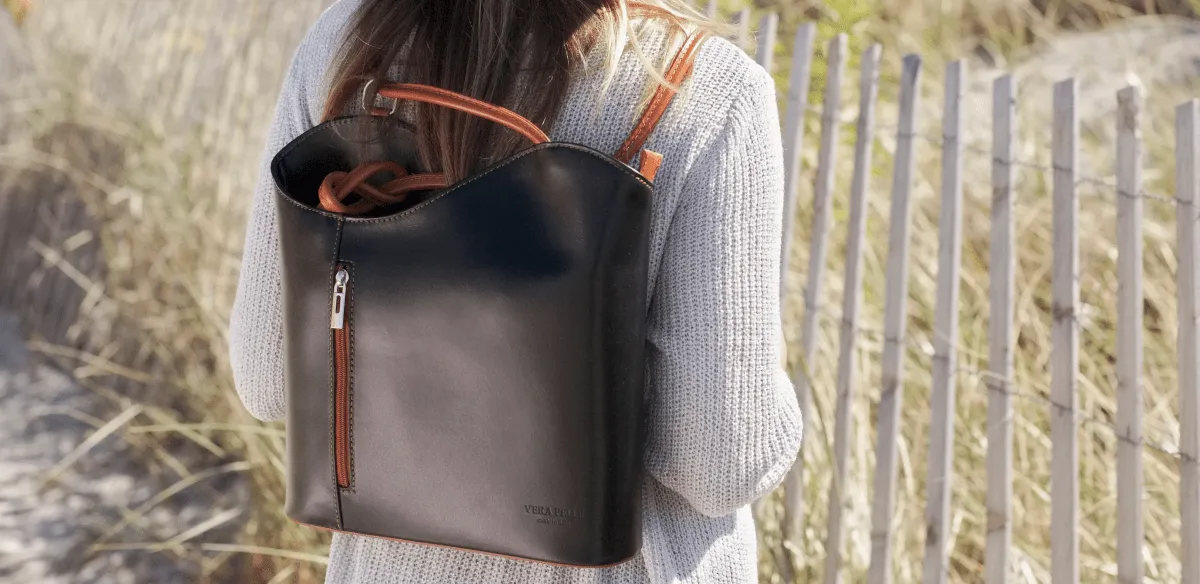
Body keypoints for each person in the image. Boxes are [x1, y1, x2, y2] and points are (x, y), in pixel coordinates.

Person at [229, 0, 803, 582]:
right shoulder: (707, 88)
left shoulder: (351, 40)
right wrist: (769, 386)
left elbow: (267, 378)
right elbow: (720, 465)